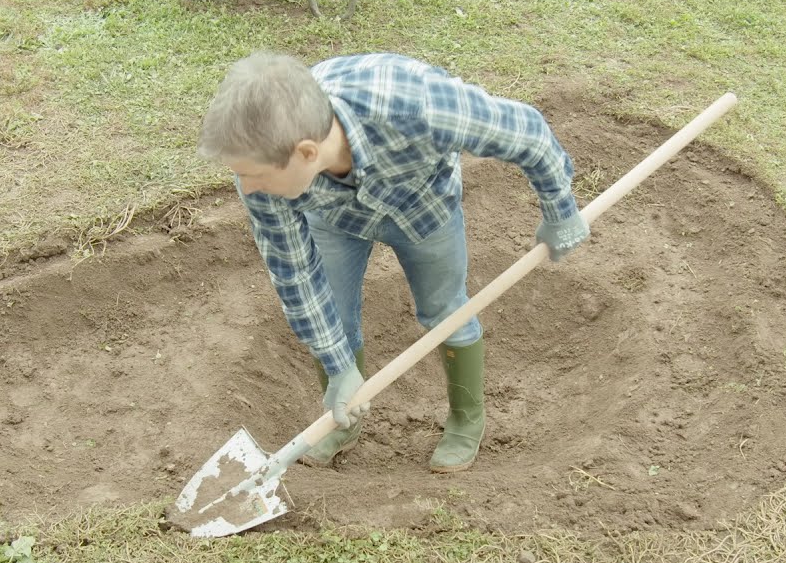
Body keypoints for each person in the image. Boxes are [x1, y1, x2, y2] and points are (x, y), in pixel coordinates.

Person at [197, 52, 587, 474]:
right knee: (336, 322)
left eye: (254, 175)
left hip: (422, 208)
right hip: (334, 218)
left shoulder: (420, 107)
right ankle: (341, 420)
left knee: (446, 310)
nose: (247, 188)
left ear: (307, 152)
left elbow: (527, 132)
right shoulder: (262, 175)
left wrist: (560, 210)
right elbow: (294, 272)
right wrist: (337, 363)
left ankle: (466, 418)